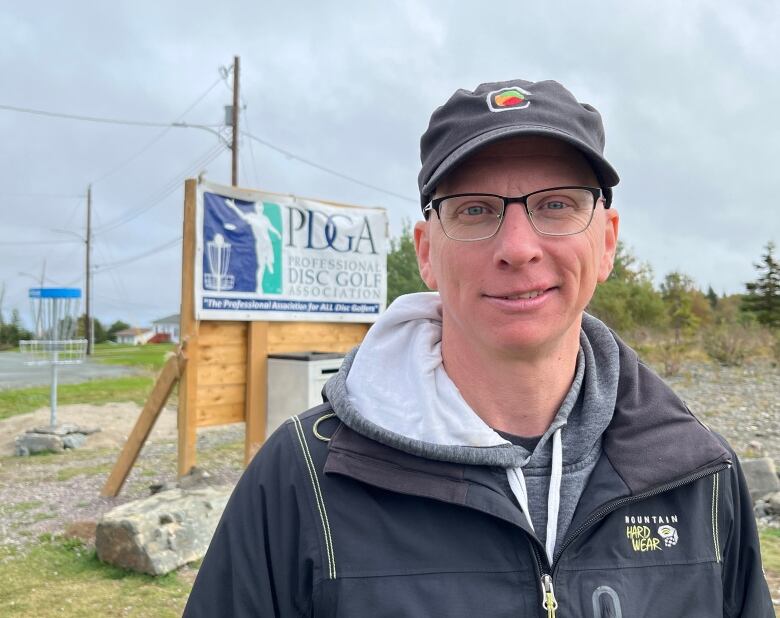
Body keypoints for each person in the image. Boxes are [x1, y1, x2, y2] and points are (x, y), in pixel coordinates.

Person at [184, 79, 774, 616]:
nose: (518, 248)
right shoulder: (303, 479)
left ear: (607, 242)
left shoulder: (698, 476)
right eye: (474, 210)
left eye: (557, 204)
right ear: (425, 251)